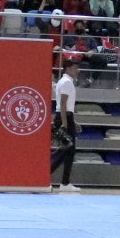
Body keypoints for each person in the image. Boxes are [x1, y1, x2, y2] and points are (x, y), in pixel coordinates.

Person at [51, 57, 79, 192]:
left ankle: (63, 181)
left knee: (67, 150)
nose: (77, 71)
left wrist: (72, 121)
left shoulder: (62, 81)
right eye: (75, 68)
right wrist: (65, 122)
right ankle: (64, 182)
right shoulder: (67, 82)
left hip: (66, 116)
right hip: (64, 117)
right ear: (68, 69)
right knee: (69, 150)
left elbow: (64, 105)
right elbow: (63, 104)